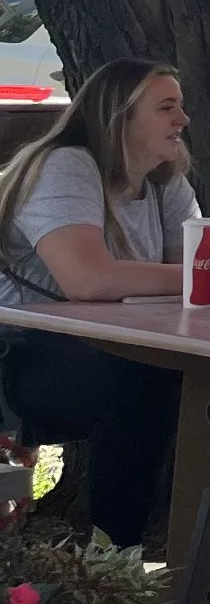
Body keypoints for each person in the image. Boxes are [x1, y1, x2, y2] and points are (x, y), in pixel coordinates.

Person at [0, 59, 198, 545]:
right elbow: (86, 279)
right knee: (140, 382)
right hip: (17, 351)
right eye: (166, 107)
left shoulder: (164, 180)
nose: (183, 119)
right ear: (118, 118)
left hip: (96, 345)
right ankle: (116, 555)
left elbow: (195, 278)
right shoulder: (64, 165)